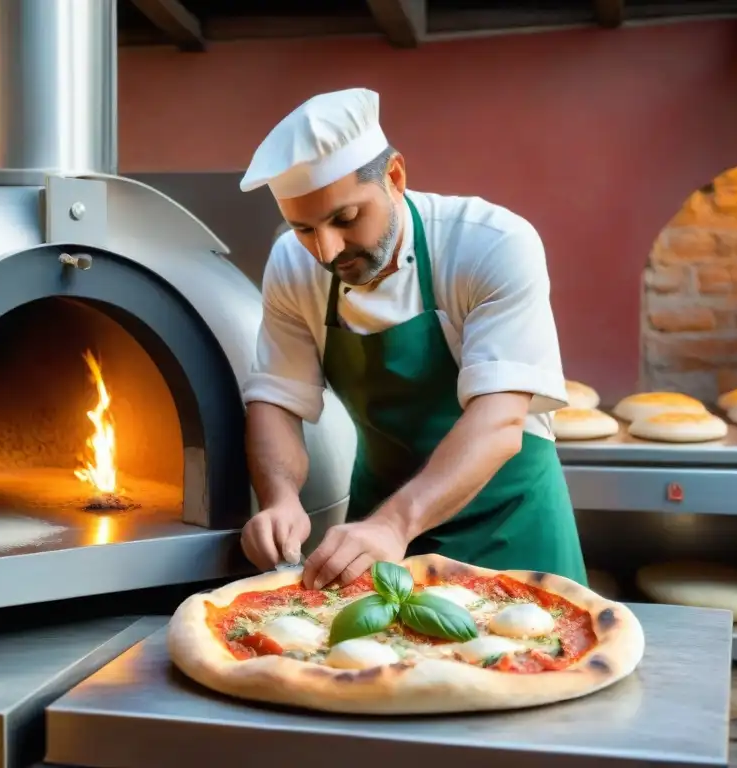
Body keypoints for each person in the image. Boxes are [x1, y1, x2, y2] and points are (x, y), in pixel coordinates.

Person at [237, 88, 586, 591]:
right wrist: (279, 499)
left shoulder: (490, 244)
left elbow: (500, 419)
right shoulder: (293, 265)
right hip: (377, 528)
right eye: (304, 229)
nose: (328, 250)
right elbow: (275, 397)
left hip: (509, 525)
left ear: (395, 177)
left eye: (345, 218)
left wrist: (395, 525)